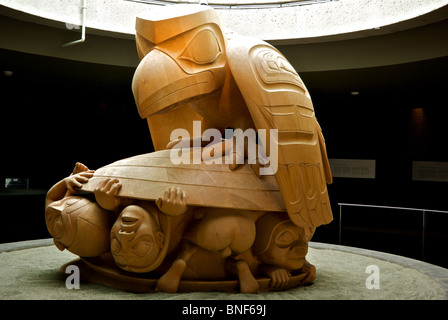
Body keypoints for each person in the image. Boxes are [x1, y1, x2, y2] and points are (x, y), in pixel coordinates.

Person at [45, 163, 113, 257]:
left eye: (68, 203)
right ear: (59, 245)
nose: (54, 208)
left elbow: (51, 197)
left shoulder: (52, 214)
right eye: (58, 224)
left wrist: (66, 182)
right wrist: (111, 206)